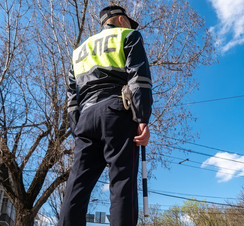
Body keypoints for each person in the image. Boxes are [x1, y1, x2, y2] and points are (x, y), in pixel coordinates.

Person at [58, 5, 153, 226]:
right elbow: (140, 80)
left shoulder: (79, 51)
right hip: (116, 112)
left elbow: (72, 98)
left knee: (76, 187)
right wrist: (142, 118)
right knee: (122, 183)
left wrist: (77, 130)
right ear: (120, 19)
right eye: (129, 21)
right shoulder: (129, 35)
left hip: (85, 120)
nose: (130, 25)